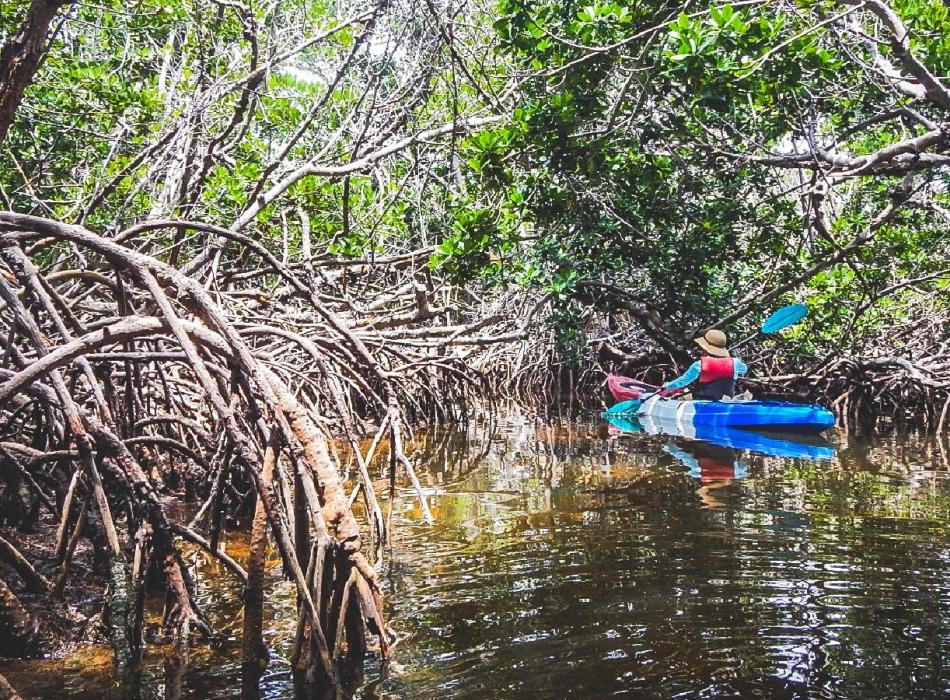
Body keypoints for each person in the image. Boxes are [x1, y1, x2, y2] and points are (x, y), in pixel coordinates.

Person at [661, 329, 747, 400]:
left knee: (679, 397)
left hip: (702, 400)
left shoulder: (699, 365)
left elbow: (682, 382)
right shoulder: (736, 363)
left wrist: (668, 386)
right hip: (725, 400)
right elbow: (744, 369)